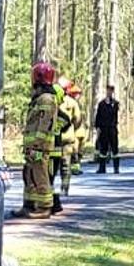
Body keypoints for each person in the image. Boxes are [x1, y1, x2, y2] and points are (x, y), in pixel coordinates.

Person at [17, 63, 59, 219]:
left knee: (40, 173)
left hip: (39, 146)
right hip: (32, 146)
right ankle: (29, 204)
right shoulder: (39, 98)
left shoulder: (47, 99)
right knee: (29, 173)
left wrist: (37, 144)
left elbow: (45, 124)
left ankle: (45, 207)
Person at [52, 81, 84, 213]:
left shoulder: (70, 103)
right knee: (64, 164)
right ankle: (63, 187)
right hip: (63, 138)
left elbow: (77, 119)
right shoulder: (62, 101)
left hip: (63, 138)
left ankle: (64, 186)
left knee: (62, 164)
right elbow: (77, 120)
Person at [93, 84, 121, 174]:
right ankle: (102, 168)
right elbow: (98, 116)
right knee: (103, 149)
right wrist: (97, 127)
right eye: (108, 90)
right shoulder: (101, 104)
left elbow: (114, 113)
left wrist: (111, 104)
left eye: (111, 90)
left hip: (112, 128)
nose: (109, 92)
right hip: (103, 129)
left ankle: (116, 168)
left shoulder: (115, 104)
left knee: (115, 149)